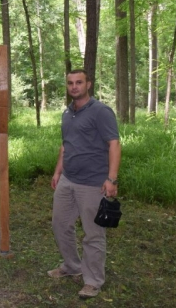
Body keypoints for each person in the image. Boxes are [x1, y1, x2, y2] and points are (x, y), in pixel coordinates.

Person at [48, 69, 121, 299]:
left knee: (93, 234)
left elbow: (114, 144)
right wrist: (58, 171)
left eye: (79, 82)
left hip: (93, 184)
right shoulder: (67, 113)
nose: (74, 86)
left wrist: (111, 178)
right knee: (60, 225)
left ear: (88, 84)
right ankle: (72, 266)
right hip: (68, 180)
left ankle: (93, 281)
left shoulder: (101, 111)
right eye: (70, 83)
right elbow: (65, 145)